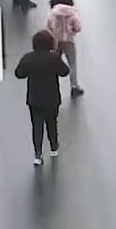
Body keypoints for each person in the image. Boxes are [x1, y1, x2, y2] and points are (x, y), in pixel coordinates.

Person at [14, 30, 70, 165]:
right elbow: (65, 72)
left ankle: (38, 154)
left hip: (35, 98)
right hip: (52, 97)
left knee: (37, 125)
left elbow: (19, 73)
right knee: (52, 122)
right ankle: (53, 146)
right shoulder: (53, 58)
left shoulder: (28, 58)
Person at [46, 0, 83, 97]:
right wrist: (72, 31)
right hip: (69, 41)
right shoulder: (72, 13)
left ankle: (51, 86)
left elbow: (47, 26)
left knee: (53, 64)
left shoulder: (53, 12)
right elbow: (78, 27)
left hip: (55, 41)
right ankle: (74, 87)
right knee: (72, 65)